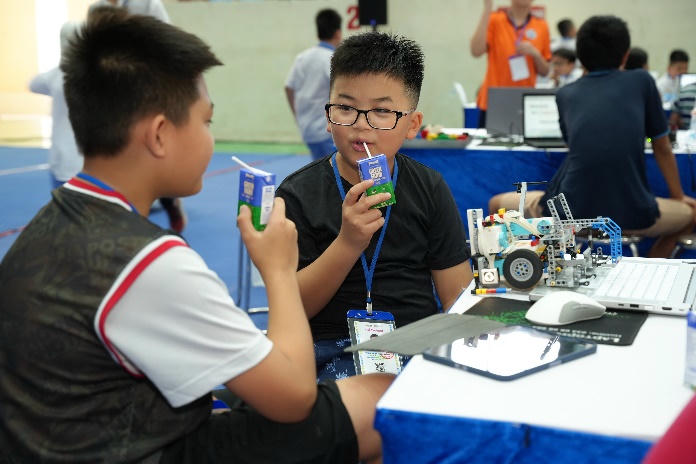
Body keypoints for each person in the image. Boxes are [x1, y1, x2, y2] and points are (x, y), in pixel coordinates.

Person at [0, 9, 391, 462]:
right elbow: (295, 397)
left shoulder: (50, 223)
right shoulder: (150, 263)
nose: (210, 138)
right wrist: (279, 270)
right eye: (206, 122)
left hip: (77, 438)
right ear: (160, 135)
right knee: (377, 399)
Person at [276, 32, 473, 380]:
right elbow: (292, 308)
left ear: (412, 124)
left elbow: (457, 300)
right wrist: (348, 243)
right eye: (345, 108)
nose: (361, 125)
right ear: (328, 115)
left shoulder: (429, 188)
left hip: (417, 345)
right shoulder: (297, 194)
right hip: (330, 350)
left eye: (381, 111)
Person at [488, 15, 696, 258]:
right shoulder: (643, 82)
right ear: (625, 55)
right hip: (632, 213)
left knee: (496, 205)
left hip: (568, 212)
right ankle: (649, 269)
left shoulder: (565, 94)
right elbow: (662, 147)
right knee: (690, 215)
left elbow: (575, 144)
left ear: (580, 57)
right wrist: (678, 196)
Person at [91, 0, 187, 233]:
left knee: (151, 155)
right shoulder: (99, 7)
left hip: (147, 85)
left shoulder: (147, 4)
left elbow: (166, 38)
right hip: (114, 93)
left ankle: (169, 201)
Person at [470, 0, 551, 127]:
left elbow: (545, 71)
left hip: (524, 102)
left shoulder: (541, 25)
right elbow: (476, 51)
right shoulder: (495, 19)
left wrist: (535, 54)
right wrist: (487, 9)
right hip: (493, 101)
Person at [28, 21, 82, 189]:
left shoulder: (55, 76)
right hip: (86, 160)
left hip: (61, 159)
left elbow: (33, 84)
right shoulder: (94, 77)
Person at [285, 9, 341, 161]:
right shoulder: (333, 59)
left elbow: (289, 88)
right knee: (332, 169)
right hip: (326, 131)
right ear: (338, 33)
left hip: (307, 129)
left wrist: (297, 116)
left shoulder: (302, 57)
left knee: (320, 167)